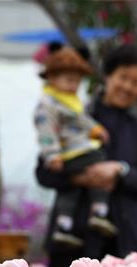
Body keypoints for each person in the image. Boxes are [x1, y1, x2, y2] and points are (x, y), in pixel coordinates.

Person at [36, 45, 137, 267]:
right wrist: (81, 177)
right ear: (108, 76)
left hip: (126, 242)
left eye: (136, 82)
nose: (127, 87)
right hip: (74, 241)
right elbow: (43, 172)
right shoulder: (75, 115)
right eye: (123, 77)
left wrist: (120, 171)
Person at [34, 44, 117, 247]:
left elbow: (82, 120)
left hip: (72, 154)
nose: (73, 85)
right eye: (68, 80)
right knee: (100, 164)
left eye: (77, 81)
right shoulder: (48, 105)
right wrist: (52, 155)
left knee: (70, 189)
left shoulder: (70, 101)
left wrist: (95, 129)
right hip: (71, 153)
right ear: (52, 78)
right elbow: (45, 132)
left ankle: (64, 225)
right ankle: (99, 209)